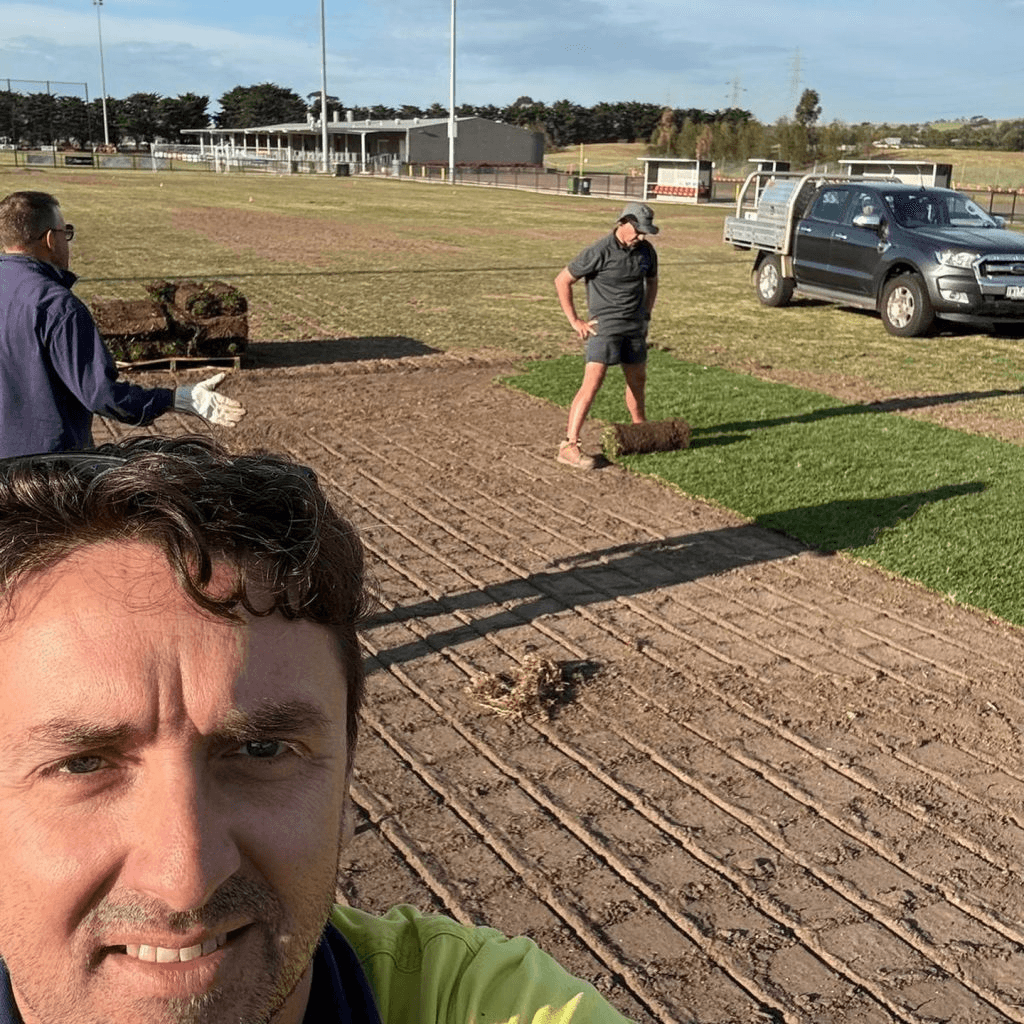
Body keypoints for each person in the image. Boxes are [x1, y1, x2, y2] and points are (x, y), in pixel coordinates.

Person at [0, 435, 632, 1024]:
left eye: (263, 748)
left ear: (347, 776)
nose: (186, 875)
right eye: (82, 762)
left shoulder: (480, 1003)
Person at [0, 190, 244, 458]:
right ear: (49, 239)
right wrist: (175, 399)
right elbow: (101, 395)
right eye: (65, 232)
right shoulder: (58, 306)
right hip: (46, 474)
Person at [553, 202, 659, 470]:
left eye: (645, 232)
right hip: (605, 326)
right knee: (593, 383)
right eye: (638, 230)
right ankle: (569, 445)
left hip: (634, 326)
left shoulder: (646, 251)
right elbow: (562, 280)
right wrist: (575, 320)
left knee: (637, 380)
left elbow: (652, 281)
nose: (641, 237)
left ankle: (640, 432)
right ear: (624, 222)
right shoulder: (600, 251)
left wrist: (646, 313)